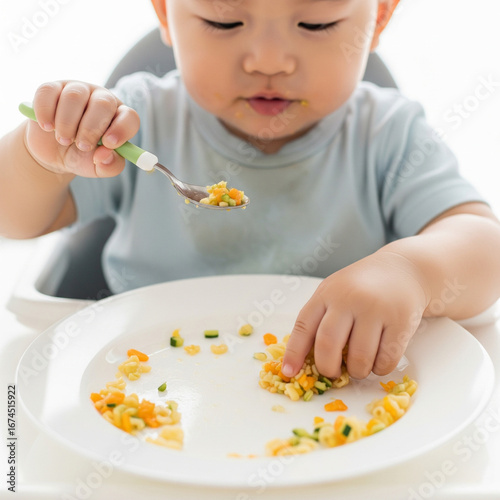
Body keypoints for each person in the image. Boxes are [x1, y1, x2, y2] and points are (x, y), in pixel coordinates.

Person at [1, 0, 500, 382]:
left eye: (316, 24)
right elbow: (13, 217)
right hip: (145, 385)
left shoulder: (389, 135)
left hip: (332, 395)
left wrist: (412, 274)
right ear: (165, 13)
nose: (269, 61)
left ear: (380, 17)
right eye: (224, 21)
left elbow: (484, 247)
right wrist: (39, 156)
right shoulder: (134, 125)